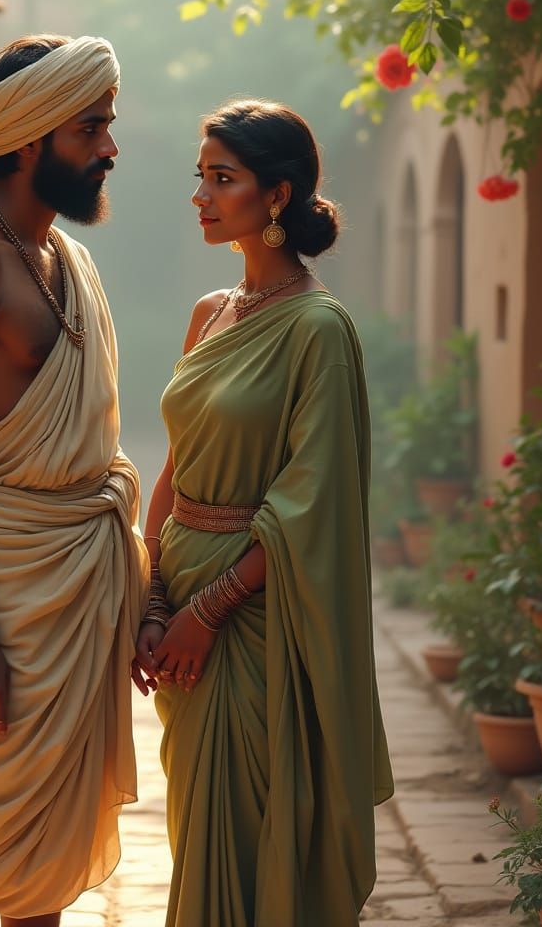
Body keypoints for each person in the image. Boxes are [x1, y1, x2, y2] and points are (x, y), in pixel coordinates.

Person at [0, 34, 149, 927]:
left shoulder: (61, 259)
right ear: (34, 137)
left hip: (74, 594)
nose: (110, 147)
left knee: (44, 865)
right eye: (93, 128)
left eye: (107, 125)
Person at [131, 99, 394, 927]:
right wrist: (151, 599)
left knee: (253, 832)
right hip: (181, 605)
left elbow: (310, 503)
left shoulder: (318, 329)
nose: (202, 196)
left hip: (254, 616)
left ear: (275, 195)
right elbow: (174, 462)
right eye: (200, 178)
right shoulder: (210, 314)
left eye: (223, 179)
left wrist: (206, 612)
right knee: (198, 831)